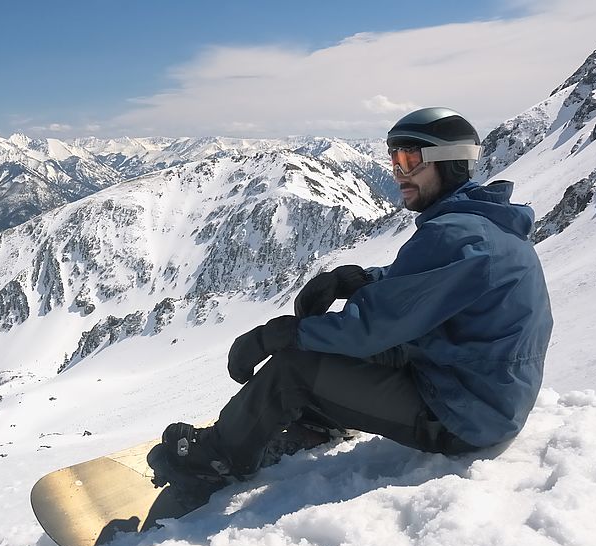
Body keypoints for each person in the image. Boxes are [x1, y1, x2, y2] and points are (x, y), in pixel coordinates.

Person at [148, 107, 554, 493]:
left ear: (449, 163)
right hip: (481, 392)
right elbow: (419, 288)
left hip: (463, 416)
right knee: (354, 347)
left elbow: (366, 330)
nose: (398, 173)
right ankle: (320, 420)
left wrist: (276, 335)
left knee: (295, 365)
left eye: (410, 160)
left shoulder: (453, 236)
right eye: (394, 160)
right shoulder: (479, 224)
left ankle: (215, 461)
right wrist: (356, 280)